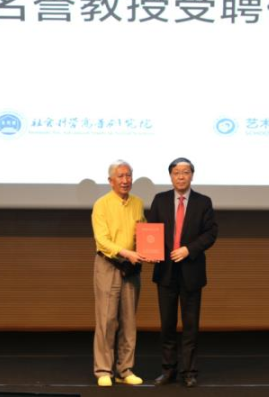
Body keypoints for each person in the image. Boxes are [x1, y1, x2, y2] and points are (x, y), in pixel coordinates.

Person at [147, 157, 218, 388]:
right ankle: (168, 370)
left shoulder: (203, 202)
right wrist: (150, 252)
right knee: (167, 325)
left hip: (191, 270)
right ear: (170, 176)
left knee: (190, 326)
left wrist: (189, 249)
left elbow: (210, 233)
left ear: (192, 175)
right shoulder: (160, 200)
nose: (181, 176)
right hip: (166, 271)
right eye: (176, 172)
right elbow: (151, 231)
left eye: (185, 172)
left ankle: (189, 371)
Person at [91, 159, 149, 387]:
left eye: (128, 176)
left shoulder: (137, 203)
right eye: (121, 176)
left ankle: (125, 370)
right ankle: (103, 370)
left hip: (132, 267)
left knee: (129, 321)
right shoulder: (101, 204)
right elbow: (102, 240)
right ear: (111, 181)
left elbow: (143, 232)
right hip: (109, 265)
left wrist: (147, 249)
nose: (125, 180)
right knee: (107, 320)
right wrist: (126, 253)